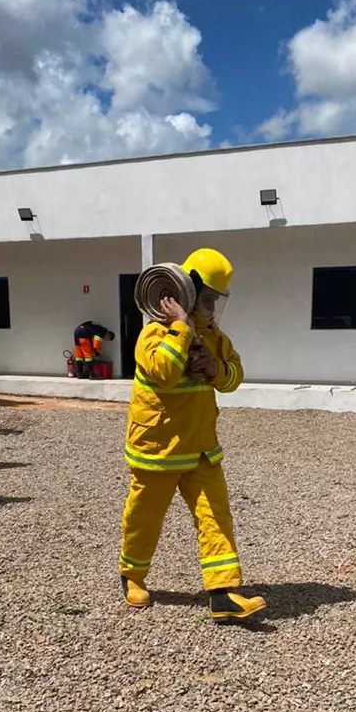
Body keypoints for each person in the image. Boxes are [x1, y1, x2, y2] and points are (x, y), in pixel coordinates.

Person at [118, 248, 265, 623]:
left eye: (218, 300)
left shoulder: (214, 337)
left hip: (200, 451)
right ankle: (132, 575)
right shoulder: (154, 333)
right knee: (145, 518)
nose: (213, 307)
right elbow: (165, 371)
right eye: (208, 298)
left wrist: (215, 368)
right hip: (158, 451)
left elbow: (235, 376)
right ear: (186, 293)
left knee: (216, 518)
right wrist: (181, 327)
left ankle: (222, 593)